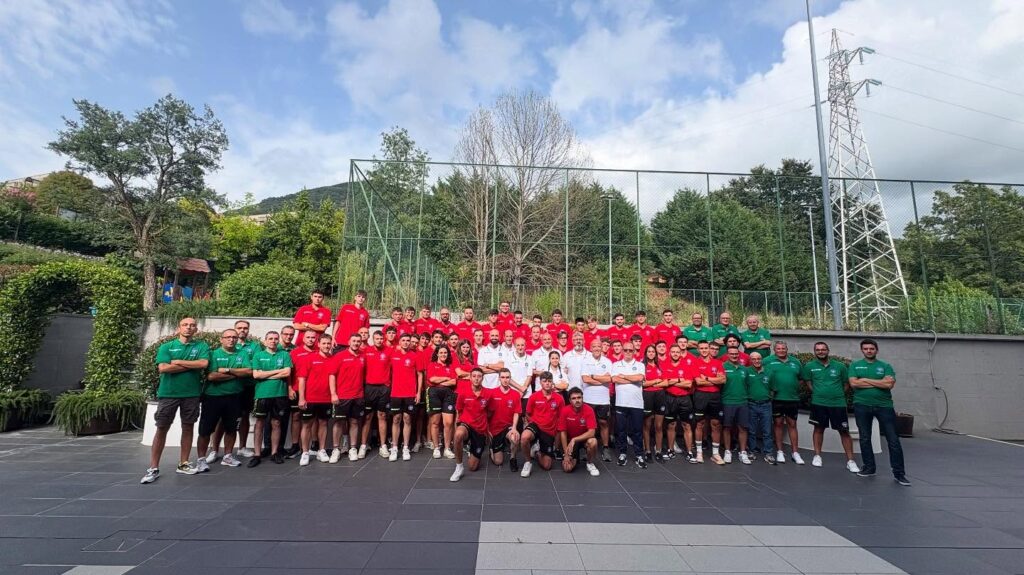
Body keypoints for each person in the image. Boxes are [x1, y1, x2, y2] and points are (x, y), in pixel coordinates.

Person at [143, 317, 210, 483]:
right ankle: (153, 468)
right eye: (185, 325)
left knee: (188, 427)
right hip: (169, 393)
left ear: (196, 329)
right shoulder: (167, 347)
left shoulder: (201, 346)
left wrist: (178, 362)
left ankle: (183, 463)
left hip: (191, 394)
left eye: (192, 325)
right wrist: (191, 364)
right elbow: (163, 368)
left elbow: (203, 364)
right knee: (162, 428)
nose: (188, 327)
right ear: (179, 328)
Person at [849, 339, 909, 486]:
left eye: (871, 348)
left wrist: (865, 380)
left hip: (884, 406)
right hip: (862, 405)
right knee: (865, 438)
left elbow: (889, 384)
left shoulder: (885, 366)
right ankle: (869, 468)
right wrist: (879, 382)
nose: (869, 351)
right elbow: (854, 383)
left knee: (893, 440)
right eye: (866, 349)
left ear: (876, 350)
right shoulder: (855, 365)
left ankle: (899, 473)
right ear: (862, 350)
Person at [802, 341, 860, 472]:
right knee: (818, 429)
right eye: (818, 350)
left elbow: (846, 384)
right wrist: (817, 392)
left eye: (823, 349)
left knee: (844, 431)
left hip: (838, 404)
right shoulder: (809, 366)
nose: (820, 352)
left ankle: (851, 461)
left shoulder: (840, 366)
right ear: (814, 352)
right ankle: (817, 456)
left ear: (828, 351)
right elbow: (808, 382)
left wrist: (837, 394)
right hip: (818, 403)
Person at [197, 329, 248, 471]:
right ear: (221, 339)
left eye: (234, 337)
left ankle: (228, 456)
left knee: (231, 428)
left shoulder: (242, 353)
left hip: (235, 396)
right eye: (228, 337)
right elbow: (212, 376)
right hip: (213, 397)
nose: (231, 339)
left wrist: (226, 370)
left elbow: (248, 372)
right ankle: (201, 459)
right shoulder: (214, 354)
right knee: (205, 430)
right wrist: (237, 374)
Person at [248, 331, 293, 467]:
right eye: (270, 339)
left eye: (275, 339)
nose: (273, 341)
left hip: (279, 394)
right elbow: (256, 375)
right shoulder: (258, 355)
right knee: (259, 424)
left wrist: (265, 374)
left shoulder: (284, 354)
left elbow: (287, 372)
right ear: (265, 341)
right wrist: (278, 372)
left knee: (276, 423)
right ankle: (257, 454)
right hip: (262, 394)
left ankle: (274, 453)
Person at [296, 334, 335, 465]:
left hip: (326, 399)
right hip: (310, 398)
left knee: (323, 423)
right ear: (318, 344)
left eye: (328, 343)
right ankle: (305, 452)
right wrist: (302, 398)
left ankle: (321, 450)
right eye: (324, 343)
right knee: (307, 425)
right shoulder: (309, 358)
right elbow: (302, 379)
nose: (326, 346)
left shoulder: (333, 359)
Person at [764, 341, 805, 465]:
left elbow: (801, 379)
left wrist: (794, 388)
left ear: (787, 349)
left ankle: (795, 452)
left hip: (792, 399)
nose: (781, 350)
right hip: (776, 399)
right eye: (778, 348)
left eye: (783, 348)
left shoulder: (796, 362)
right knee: (778, 424)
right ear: (774, 350)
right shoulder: (767, 361)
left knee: (792, 424)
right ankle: (780, 451)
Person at [519, 372, 565, 477]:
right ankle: (528, 462)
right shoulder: (534, 396)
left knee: (547, 465)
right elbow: (528, 414)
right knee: (524, 437)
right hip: (535, 426)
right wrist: (531, 424)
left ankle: (536, 451)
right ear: (540, 383)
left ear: (552, 382)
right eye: (544, 381)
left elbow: (561, 417)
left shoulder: (559, 398)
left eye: (549, 381)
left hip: (549, 431)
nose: (547, 383)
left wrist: (556, 438)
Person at [329, 333, 366, 463]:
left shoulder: (363, 356)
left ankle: (353, 448)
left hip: (358, 396)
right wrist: (333, 393)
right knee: (339, 422)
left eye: (358, 341)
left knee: (354, 422)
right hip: (342, 396)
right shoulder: (340, 356)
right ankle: (336, 449)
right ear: (349, 342)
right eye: (354, 341)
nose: (356, 343)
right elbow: (332, 375)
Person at [281, 330, 317, 459]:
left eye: (313, 337)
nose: (311, 339)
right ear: (303, 338)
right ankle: (295, 446)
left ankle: (313, 445)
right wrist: (290, 388)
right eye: (308, 337)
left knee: (313, 418)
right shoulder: (295, 352)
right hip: (296, 389)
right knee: (296, 417)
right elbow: (289, 372)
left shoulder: (319, 351)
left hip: (313, 391)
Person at [449, 368, 490, 482]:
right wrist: (457, 427)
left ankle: (472, 447)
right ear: (470, 378)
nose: (476, 379)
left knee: (472, 467)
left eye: (479, 376)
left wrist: (488, 431)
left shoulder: (488, 394)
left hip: (480, 429)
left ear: (482, 378)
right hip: (466, 424)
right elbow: (459, 411)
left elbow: (490, 413)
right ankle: (459, 467)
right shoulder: (463, 392)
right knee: (458, 435)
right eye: (474, 376)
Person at [612, 342, 647, 468]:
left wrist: (624, 376)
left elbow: (640, 378)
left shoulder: (640, 365)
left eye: (630, 350)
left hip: (636, 403)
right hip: (621, 402)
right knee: (621, 430)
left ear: (634, 351)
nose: (627, 352)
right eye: (625, 350)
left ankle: (639, 455)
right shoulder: (616, 365)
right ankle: (622, 453)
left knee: (637, 431)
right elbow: (614, 379)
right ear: (622, 351)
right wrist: (632, 379)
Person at [692, 341, 726, 465]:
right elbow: (698, 382)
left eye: (706, 348)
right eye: (701, 348)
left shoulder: (718, 363)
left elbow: (723, 380)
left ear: (709, 349)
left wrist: (706, 378)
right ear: (698, 350)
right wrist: (715, 380)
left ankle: (715, 454)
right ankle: (699, 452)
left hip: (715, 396)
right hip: (700, 395)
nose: (704, 350)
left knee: (716, 424)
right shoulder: (695, 362)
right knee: (700, 423)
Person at [389, 334, 421, 462]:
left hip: (410, 393)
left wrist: (418, 392)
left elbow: (420, 375)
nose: (406, 342)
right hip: (396, 393)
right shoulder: (393, 355)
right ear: (399, 342)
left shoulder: (415, 356)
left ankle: (406, 447)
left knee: (407, 419)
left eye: (408, 340)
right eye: (403, 340)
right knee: (396, 419)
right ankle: (394, 447)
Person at [581, 339, 614, 462]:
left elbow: (609, 379)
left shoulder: (607, 361)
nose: (596, 348)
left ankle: (605, 448)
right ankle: (586, 448)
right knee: (588, 425)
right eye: (594, 346)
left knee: (603, 423)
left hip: (603, 400)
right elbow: (585, 379)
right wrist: (601, 380)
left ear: (602, 347)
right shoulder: (585, 361)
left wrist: (593, 376)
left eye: (599, 346)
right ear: (590, 348)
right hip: (588, 398)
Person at [362, 330, 392, 459]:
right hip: (370, 388)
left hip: (384, 388)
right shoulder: (366, 351)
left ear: (383, 339)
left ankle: (383, 445)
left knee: (382, 416)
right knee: (368, 417)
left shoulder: (389, 351)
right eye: (376, 339)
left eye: (381, 338)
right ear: (372, 339)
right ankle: (363, 445)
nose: (379, 341)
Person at [662, 344, 695, 461]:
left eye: (677, 352)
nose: (675, 354)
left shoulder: (687, 365)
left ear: (681, 353)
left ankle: (689, 452)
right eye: (673, 352)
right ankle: (670, 450)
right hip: (670, 398)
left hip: (684, 399)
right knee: (671, 425)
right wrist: (680, 380)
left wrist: (673, 381)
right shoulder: (664, 365)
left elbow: (688, 384)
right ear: (669, 353)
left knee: (687, 425)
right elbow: (665, 382)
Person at [558, 387, 600, 476]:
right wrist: (566, 454)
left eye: (579, 397)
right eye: (574, 398)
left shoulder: (589, 410)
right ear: (570, 400)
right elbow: (563, 432)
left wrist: (575, 439)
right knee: (567, 468)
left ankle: (590, 463)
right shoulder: (565, 410)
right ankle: (575, 457)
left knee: (593, 442)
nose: (577, 400)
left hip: (583, 439)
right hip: (570, 442)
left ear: (582, 398)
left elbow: (592, 432)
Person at [721, 347, 752, 465]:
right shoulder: (723, 367)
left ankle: (742, 452)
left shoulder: (744, 369)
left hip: (742, 402)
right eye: (731, 354)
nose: (734, 356)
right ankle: (727, 451)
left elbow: (748, 385)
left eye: (736, 354)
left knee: (743, 428)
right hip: (727, 401)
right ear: (727, 355)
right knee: (727, 427)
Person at [426, 345, 458, 459]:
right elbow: (432, 379)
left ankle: (447, 448)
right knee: (435, 422)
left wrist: (439, 381)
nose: (443, 354)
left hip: (448, 394)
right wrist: (446, 378)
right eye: (441, 352)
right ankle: (436, 448)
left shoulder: (451, 366)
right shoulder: (432, 365)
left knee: (448, 423)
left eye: (445, 353)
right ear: (437, 354)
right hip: (434, 394)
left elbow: (453, 382)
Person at [486, 368, 521, 471]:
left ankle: (513, 458)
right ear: (499, 378)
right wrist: (487, 429)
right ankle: (492, 448)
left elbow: (516, 413)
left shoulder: (515, 394)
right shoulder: (492, 393)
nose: (505, 380)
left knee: (515, 437)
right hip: (495, 429)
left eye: (507, 377)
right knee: (498, 462)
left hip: (508, 427)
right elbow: (486, 414)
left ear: (510, 378)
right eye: (503, 377)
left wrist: (514, 428)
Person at [746, 352, 776, 464]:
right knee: (751, 430)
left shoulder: (769, 372)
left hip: (766, 405)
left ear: (762, 359)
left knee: (767, 431)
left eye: (758, 359)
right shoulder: (747, 371)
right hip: (751, 404)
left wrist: (767, 398)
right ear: (750, 360)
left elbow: (773, 389)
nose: (756, 361)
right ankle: (751, 451)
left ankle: (768, 453)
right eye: (754, 359)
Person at [641, 345, 667, 460]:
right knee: (647, 425)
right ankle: (647, 451)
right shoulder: (642, 366)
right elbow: (643, 384)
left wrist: (651, 383)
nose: (651, 353)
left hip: (660, 396)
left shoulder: (660, 365)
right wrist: (656, 381)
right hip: (647, 396)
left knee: (659, 426)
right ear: (646, 353)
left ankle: (658, 451)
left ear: (656, 354)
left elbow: (666, 383)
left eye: (653, 351)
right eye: (649, 351)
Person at [505, 337, 533, 413]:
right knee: (511, 414)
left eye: (522, 345)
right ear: (514, 346)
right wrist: (520, 389)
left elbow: (529, 376)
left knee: (524, 415)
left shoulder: (530, 358)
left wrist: (523, 391)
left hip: (526, 393)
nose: (520, 347)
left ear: (525, 346)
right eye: (518, 345)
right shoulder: (508, 358)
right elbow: (507, 377)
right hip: (513, 392)